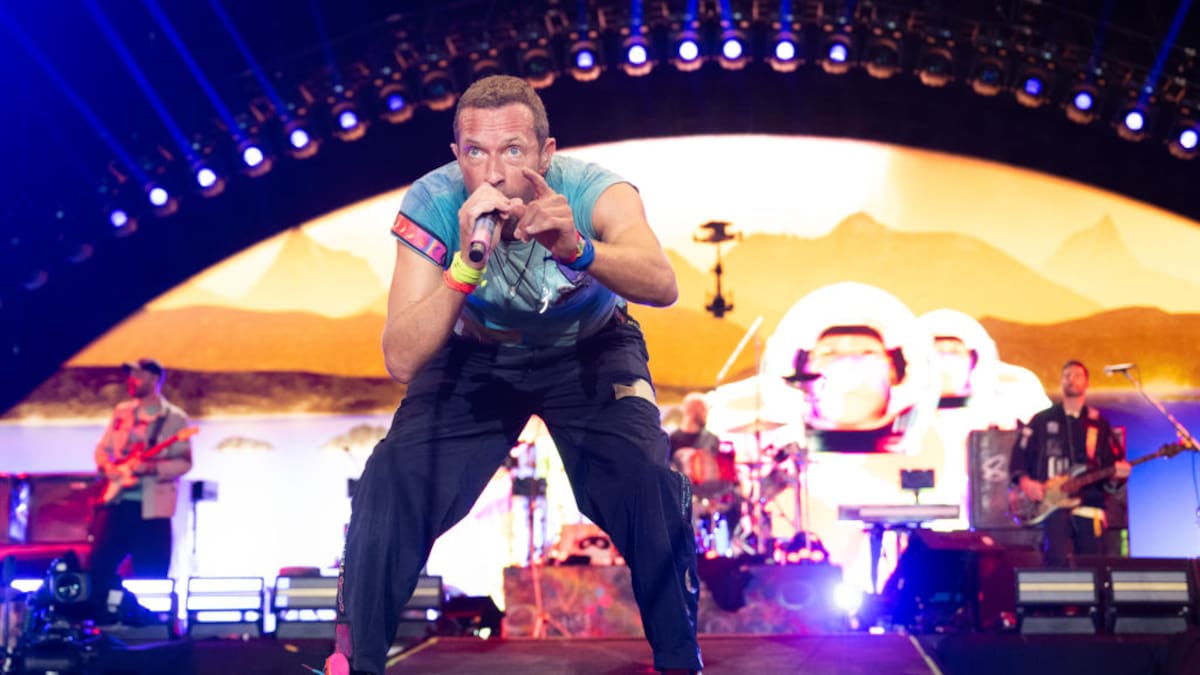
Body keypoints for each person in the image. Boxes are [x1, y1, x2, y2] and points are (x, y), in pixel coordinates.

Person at [329, 75, 701, 675]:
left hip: (590, 348)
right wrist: (462, 268)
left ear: (546, 154)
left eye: (513, 151)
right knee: (391, 476)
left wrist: (578, 248)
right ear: (457, 157)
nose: (495, 174)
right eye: (476, 152)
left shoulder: (595, 191)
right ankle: (356, 664)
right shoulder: (432, 204)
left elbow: (662, 284)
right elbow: (400, 358)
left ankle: (680, 662)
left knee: (647, 480)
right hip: (475, 356)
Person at [1010, 360, 1130, 566]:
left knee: (1091, 563)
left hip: (1089, 503)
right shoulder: (1042, 421)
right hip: (1052, 503)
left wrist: (1118, 475)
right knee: (1056, 558)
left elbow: (1111, 467)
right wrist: (1025, 482)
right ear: (1061, 382)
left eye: (1077, 376)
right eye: (1067, 376)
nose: (1072, 380)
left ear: (1087, 383)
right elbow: (1019, 454)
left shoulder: (1098, 424)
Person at [90, 358, 193, 596]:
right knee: (99, 568)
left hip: (152, 511)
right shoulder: (122, 412)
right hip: (117, 503)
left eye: (138, 375)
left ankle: (148, 616)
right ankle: (101, 612)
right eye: (131, 375)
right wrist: (108, 467)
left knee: (152, 572)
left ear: (154, 379)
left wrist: (150, 469)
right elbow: (102, 449)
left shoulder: (174, 418)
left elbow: (184, 463)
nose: (132, 380)